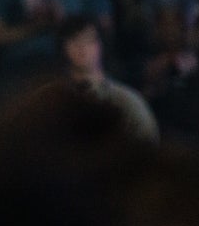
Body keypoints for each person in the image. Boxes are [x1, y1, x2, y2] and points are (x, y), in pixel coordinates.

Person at [57, 13, 159, 142]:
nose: (81, 47)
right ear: (63, 48)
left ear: (100, 44)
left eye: (88, 39)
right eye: (74, 40)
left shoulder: (126, 101)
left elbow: (148, 143)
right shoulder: (56, 103)